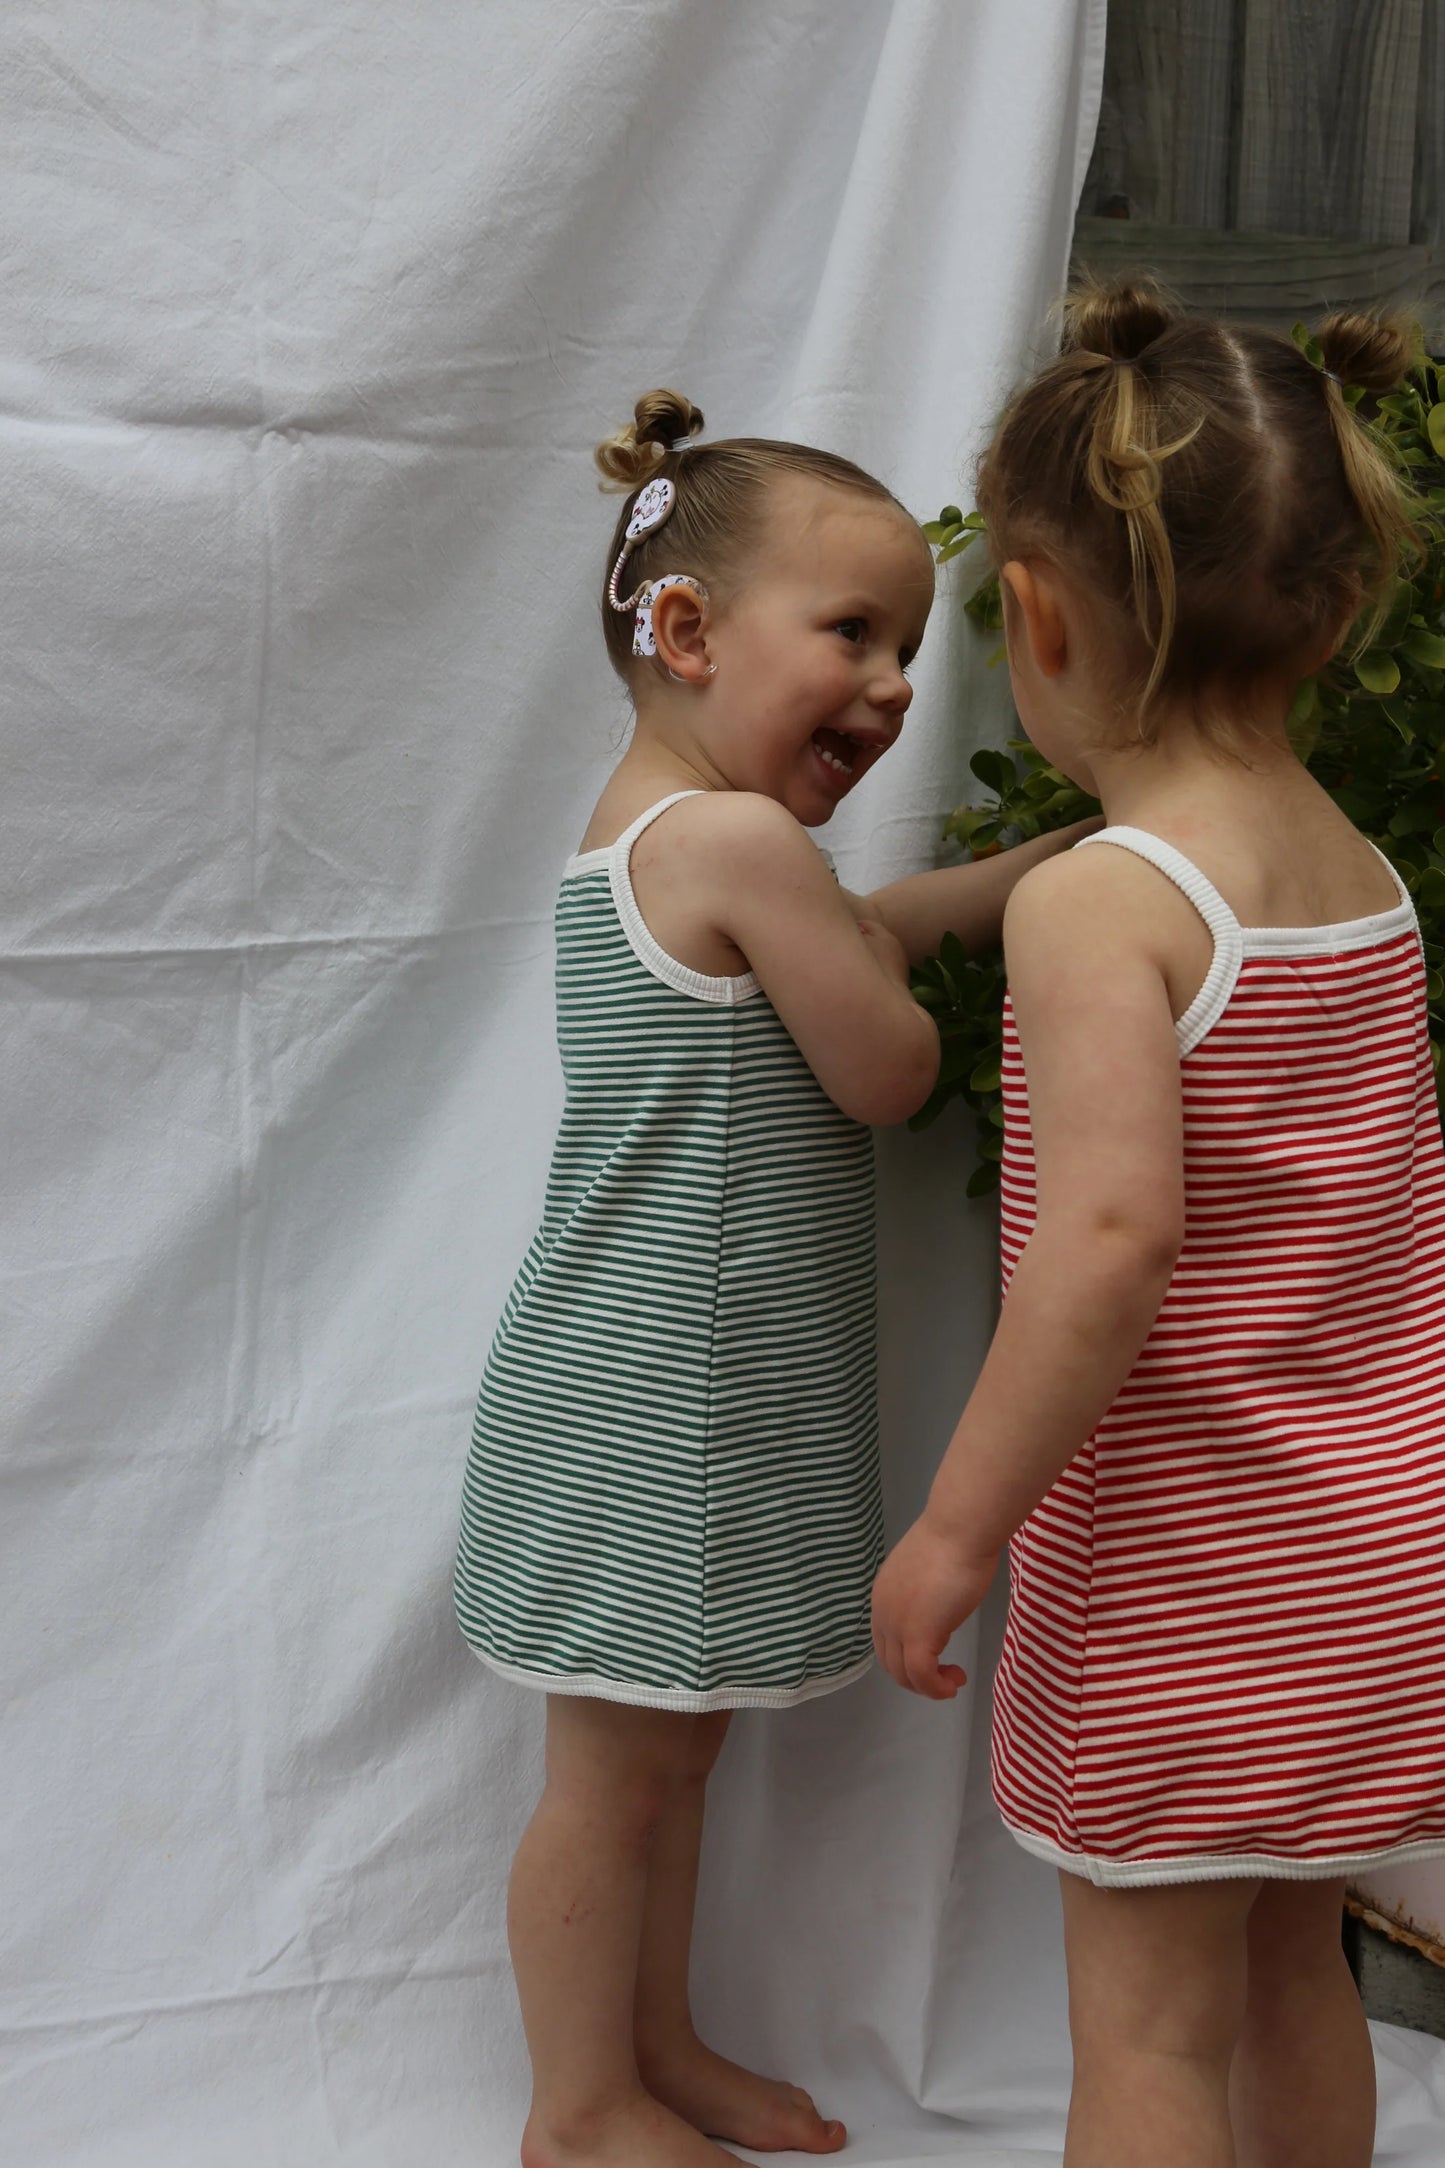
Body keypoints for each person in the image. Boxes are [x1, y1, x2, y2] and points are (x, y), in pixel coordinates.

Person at [456, 389, 1097, 2168]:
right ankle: (578, 2106)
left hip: (684, 1396)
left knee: (677, 1759)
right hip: (650, 1405)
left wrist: (1031, 874)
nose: (896, 686)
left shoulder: (681, 835)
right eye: (852, 635)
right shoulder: (733, 848)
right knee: (619, 1780)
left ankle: (655, 2044)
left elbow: (866, 931)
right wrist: (1040, 951)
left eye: (905, 642)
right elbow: (886, 1065)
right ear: (683, 632)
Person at [872, 277, 1445, 2168]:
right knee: (1296, 1965)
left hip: (1179, 1586)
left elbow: (1105, 1250)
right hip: (1366, 1566)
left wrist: (956, 1528)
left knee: (1139, 2036)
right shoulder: (1353, 874)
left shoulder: (1105, 909)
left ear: (1028, 610)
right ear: (1337, 602)